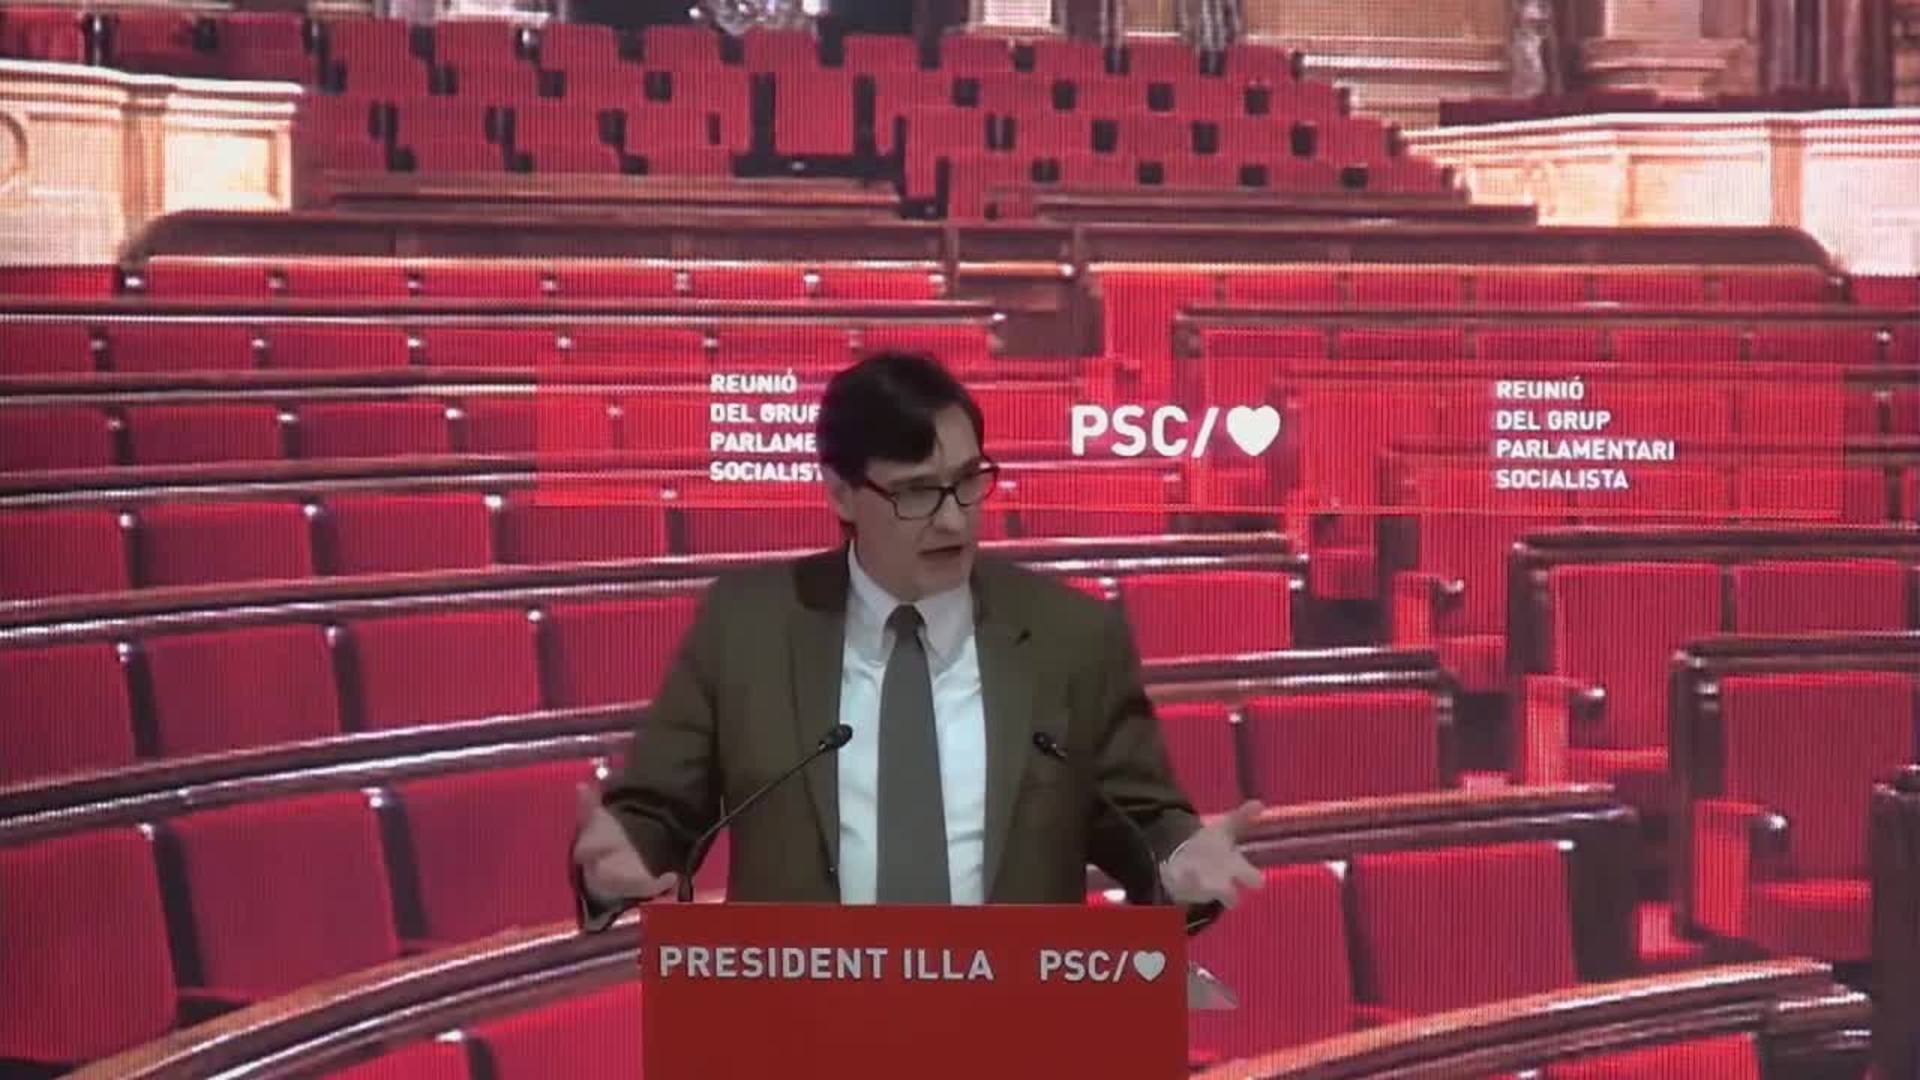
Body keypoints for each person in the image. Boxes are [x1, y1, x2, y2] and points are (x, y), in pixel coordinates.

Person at [571, 351, 1264, 929]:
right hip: (801, 1023)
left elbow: (1141, 819)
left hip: (1017, 1023)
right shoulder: (747, 627)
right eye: (915, 493)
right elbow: (659, 811)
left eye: (968, 482)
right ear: (841, 494)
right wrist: (620, 860)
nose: (953, 520)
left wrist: (1178, 863)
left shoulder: (1071, 638)